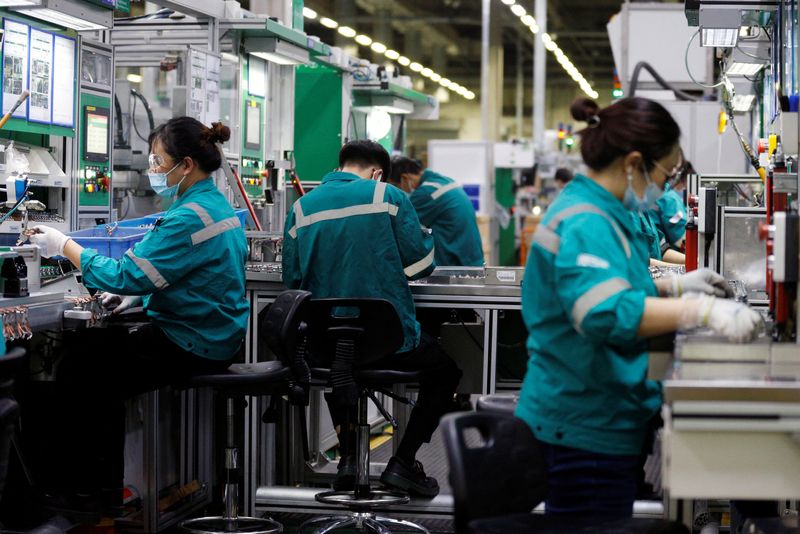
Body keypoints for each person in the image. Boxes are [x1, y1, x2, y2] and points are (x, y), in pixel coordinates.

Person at [515, 97, 762, 518]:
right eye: (667, 175)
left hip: (599, 408)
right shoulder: (587, 219)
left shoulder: (605, 211)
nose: (666, 189)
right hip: (581, 419)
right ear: (633, 162)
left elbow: (617, 287)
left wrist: (676, 286)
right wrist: (700, 312)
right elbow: (601, 312)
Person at [27, 117, 248, 512]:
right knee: (98, 351)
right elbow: (187, 279)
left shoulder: (186, 217)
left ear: (186, 165)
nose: (153, 170)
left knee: (82, 371)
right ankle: (97, 490)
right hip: (216, 332)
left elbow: (127, 273)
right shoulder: (214, 205)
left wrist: (64, 245)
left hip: (194, 340)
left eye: (158, 161)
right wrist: (136, 301)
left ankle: (92, 495)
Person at [283, 140, 462, 498]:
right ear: (379, 173)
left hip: (325, 342)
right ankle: (403, 462)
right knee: (447, 373)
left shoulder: (301, 207)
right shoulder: (389, 197)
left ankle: (348, 458)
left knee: (341, 364)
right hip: (388, 342)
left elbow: (292, 279)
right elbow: (419, 267)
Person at [388, 156, 484, 267]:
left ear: (404, 178)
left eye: (395, 185)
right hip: (471, 257)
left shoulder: (427, 192)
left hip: (455, 263)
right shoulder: (443, 181)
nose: (397, 190)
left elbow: (399, 224)